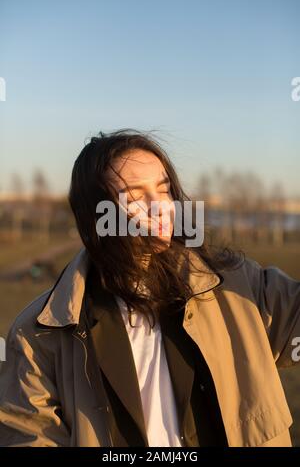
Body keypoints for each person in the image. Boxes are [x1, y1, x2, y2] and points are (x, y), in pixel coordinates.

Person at [0, 129, 299, 447]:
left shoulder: (237, 284)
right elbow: (28, 435)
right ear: (96, 214)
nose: (160, 206)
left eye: (164, 189)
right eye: (135, 195)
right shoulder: (40, 334)